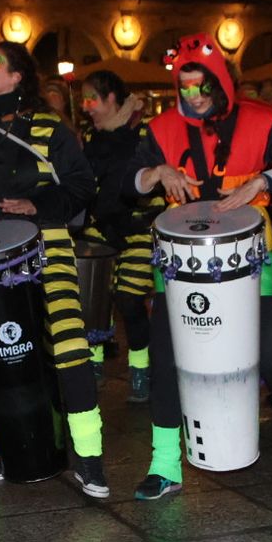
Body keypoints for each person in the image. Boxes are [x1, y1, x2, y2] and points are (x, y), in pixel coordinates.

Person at [124, 33, 272, 499]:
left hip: (250, 263)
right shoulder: (161, 129)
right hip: (178, 270)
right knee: (167, 360)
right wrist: (154, 173)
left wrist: (263, 180)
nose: (193, 97)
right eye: (185, 88)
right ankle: (165, 463)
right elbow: (122, 182)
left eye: (202, 87)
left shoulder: (262, 121)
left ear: (223, 84)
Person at [0, 42, 109, 497]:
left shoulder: (50, 128)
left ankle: (89, 459)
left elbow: (82, 184)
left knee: (70, 350)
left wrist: (39, 203)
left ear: (16, 78)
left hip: (46, 245)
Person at [79, 70, 160, 404]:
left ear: (112, 98)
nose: (85, 107)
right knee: (95, 297)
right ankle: (94, 366)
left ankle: (140, 368)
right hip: (101, 225)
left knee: (129, 298)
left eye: (91, 99)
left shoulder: (143, 132)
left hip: (141, 223)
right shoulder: (89, 139)